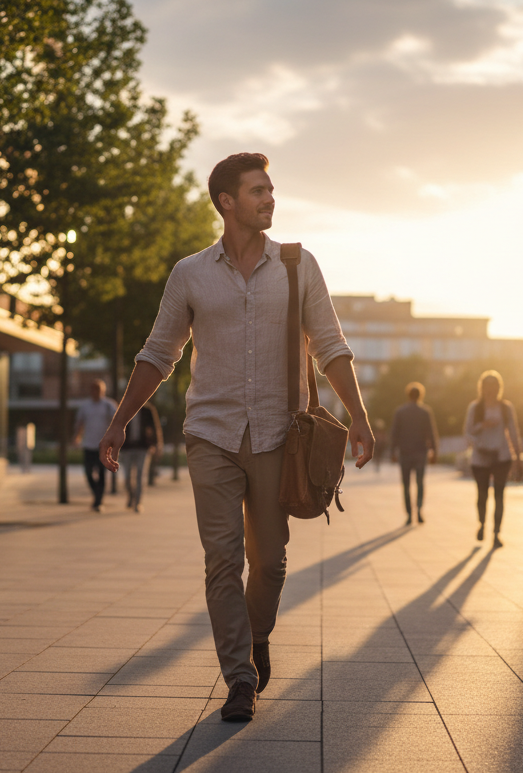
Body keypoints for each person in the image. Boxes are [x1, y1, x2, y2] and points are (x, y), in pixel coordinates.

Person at [97, 152, 374, 723]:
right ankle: (240, 678)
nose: (269, 198)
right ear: (227, 202)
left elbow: (330, 346)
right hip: (211, 435)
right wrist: (120, 419)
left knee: (269, 562)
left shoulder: (298, 266)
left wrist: (361, 418)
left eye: (270, 189)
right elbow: (159, 354)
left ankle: (257, 635)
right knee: (222, 560)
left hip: (279, 435)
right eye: (257, 191)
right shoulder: (189, 274)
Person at [464, 370, 523, 546]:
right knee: (482, 494)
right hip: (480, 457)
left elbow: (514, 433)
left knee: (499, 495)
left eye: (494, 386)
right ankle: (482, 524)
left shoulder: (505, 408)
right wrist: (482, 426)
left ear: (499, 388)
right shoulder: (475, 408)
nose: (491, 390)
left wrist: (518, 458)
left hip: (501, 457)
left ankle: (496, 533)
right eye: (487, 386)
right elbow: (467, 433)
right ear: (482, 388)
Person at [391, 382, 438, 525]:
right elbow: (431, 433)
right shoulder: (425, 412)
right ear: (421, 395)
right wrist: (435, 451)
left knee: (406, 484)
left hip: (405, 452)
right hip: (420, 453)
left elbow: (394, 433)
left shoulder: (400, 412)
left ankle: (409, 514)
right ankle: (419, 510)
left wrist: (392, 451)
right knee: (420, 483)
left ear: (408, 395)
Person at [73, 380, 117, 511]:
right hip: (89, 444)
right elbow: (80, 423)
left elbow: (116, 422)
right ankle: (97, 494)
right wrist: (76, 437)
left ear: (103, 391)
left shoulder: (109, 405)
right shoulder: (85, 406)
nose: (95, 392)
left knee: (102, 473)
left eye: (98, 390)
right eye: (93, 390)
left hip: (103, 445)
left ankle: (98, 501)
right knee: (88, 472)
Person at [122, 400, 162, 512]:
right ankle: (131, 495)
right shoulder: (125, 409)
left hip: (143, 447)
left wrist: (156, 444)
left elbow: (155, 427)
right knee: (127, 476)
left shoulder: (148, 410)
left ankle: (138, 502)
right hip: (127, 447)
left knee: (140, 474)